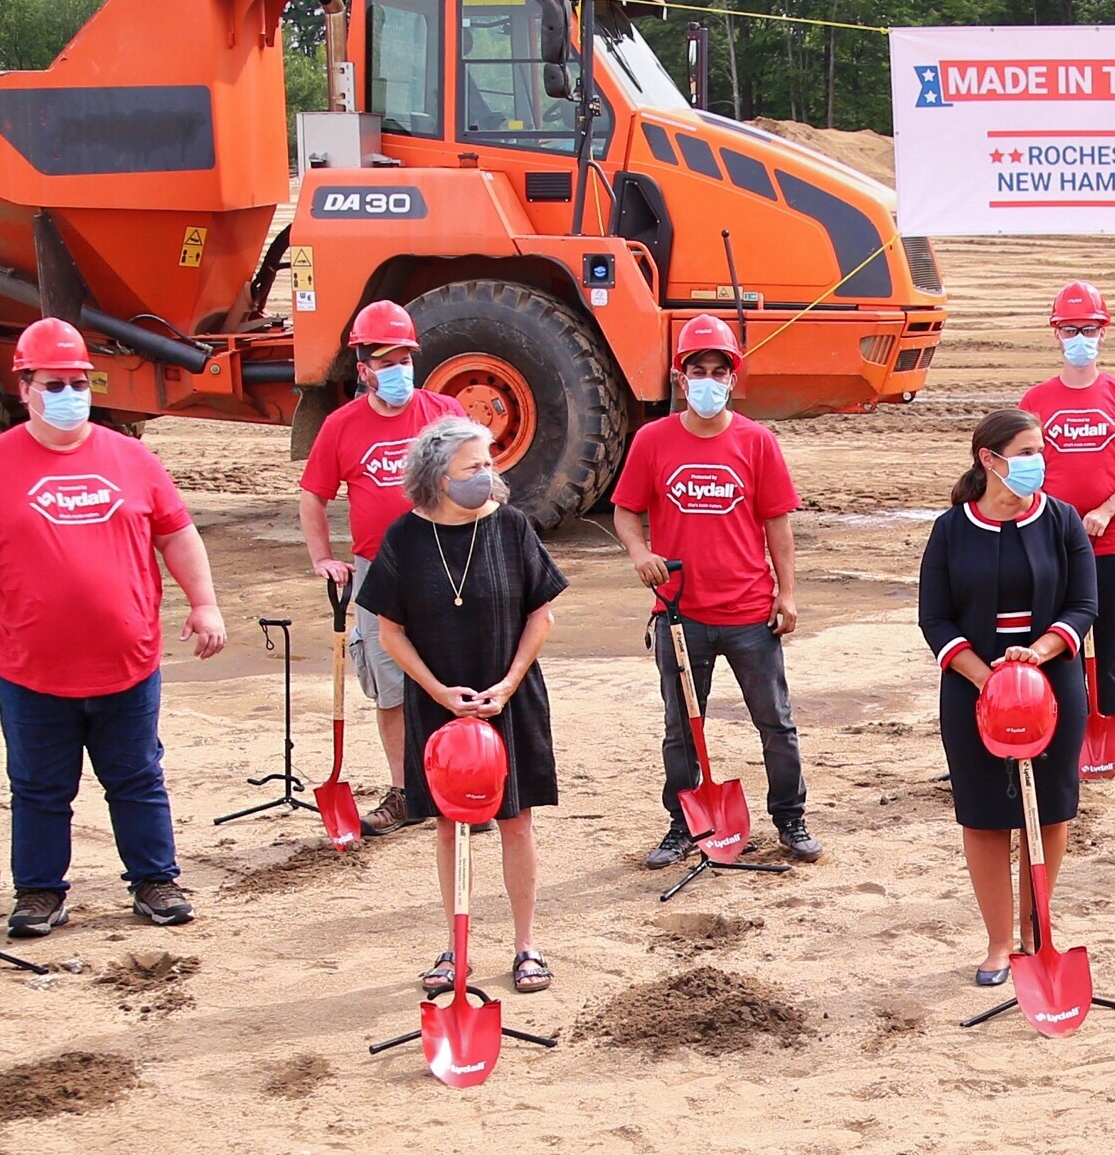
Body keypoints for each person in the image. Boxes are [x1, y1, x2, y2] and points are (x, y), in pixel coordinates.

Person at [0, 318, 227, 935]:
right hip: (34, 671)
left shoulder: (131, 458)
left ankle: (154, 879)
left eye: (79, 382)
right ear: (26, 387)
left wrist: (204, 603)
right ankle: (39, 892)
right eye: (55, 383)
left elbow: (176, 533)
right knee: (38, 788)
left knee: (137, 777)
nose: (69, 394)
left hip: (127, 663)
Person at [359, 414, 568, 996]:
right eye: (473, 467)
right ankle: (457, 947)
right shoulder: (404, 538)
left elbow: (540, 615)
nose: (488, 474)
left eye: (489, 463)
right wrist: (438, 694)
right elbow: (390, 632)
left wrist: (507, 684)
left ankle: (527, 945)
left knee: (516, 822)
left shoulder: (513, 528)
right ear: (437, 477)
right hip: (440, 705)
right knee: (451, 826)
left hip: (511, 697)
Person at [612, 315, 820, 866]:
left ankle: (790, 820)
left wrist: (787, 593)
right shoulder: (652, 441)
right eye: (696, 369)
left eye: (717, 370)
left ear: (733, 377)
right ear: (681, 378)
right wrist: (639, 552)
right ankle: (683, 825)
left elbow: (777, 522)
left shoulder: (756, 441)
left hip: (751, 613)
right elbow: (626, 510)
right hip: (680, 616)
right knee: (681, 727)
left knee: (774, 722)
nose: (707, 379)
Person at [918, 409, 1097, 984]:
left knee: (1046, 810)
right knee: (986, 814)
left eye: (1039, 450)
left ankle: (1035, 932)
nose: (1035, 462)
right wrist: (985, 676)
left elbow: (1084, 606)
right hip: (974, 689)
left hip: (1053, 685)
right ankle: (999, 944)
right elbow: (935, 618)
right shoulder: (950, 529)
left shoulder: (1063, 521)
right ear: (989, 460)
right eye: (1023, 452)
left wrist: (1038, 655)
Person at [299, 298, 440, 833]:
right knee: (390, 686)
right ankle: (406, 792)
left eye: (405, 358)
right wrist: (323, 559)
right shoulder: (341, 426)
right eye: (387, 361)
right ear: (364, 369)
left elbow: (482, 483)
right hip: (376, 573)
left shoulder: (443, 414)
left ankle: (460, 786)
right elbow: (313, 496)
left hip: (445, 566)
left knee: (452, 681)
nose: (399, 369)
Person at [1021, 279, 1115, 749]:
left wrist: (1106, 510)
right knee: (1060, 641)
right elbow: (1022, 469)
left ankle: (1110, 729)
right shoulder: (1036, 400)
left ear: (1103, 332)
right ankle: (1064, 730)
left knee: (1112, 643)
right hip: (1053, 544)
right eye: (1070, 329)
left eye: (1089, 329)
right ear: (1055, 333)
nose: (1080, 338)